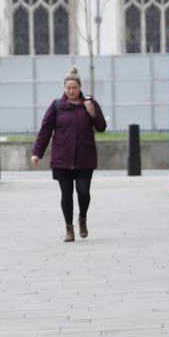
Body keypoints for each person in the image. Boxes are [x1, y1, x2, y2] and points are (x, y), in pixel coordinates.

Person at [31, 66, 107, 242]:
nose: (71, 91)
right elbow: (45, 130)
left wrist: (92, 113)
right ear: (65, 88)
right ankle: (69, 229)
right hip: (62, 159)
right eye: (68, 88)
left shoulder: (90, 103)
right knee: (66, 194)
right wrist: (37, 153)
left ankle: (82, 218)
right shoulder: (57, 106)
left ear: (80, 87)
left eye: (74, 87)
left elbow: (101, 127)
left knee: (83, 192)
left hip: (84, 158)